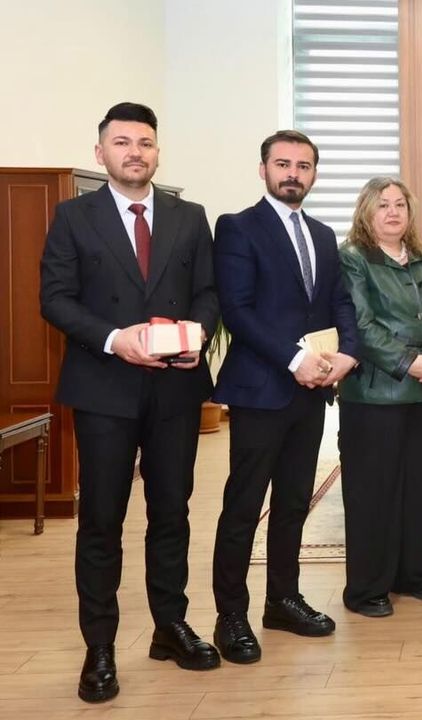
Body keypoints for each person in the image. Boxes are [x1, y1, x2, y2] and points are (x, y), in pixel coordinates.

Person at [40, 101, 222, 703]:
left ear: (157, 152)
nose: (134, 152)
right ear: (101, 153)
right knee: (102, 520)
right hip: (104, 389)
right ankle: (99, 647)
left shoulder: (189, 216)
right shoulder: (73, 216)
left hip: (175, 389)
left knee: (172, 513)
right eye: (122, 143)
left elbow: (208, 292)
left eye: (144, 142)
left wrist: (197, 334)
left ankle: (170, 627)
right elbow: (55, 299)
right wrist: (116, 339)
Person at [210, 130, 359, 664]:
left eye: (303, 165)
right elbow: (237, 309)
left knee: (295, 501)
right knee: (244, 505)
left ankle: (283, 600)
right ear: (264, 169)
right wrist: (295, 360)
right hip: (261, 389)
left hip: (312, 391)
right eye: (283, 164)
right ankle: (231, 615)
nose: (293, 173)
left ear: (314, 173)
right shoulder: (237, 227)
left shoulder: (322, 234)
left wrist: (348, 353)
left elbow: (339, 302)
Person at [336, 177, 422, 617]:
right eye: (382, 205)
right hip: (375, 394)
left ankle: (415, 574)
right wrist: (409, 362)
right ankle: (367, 588)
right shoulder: (354, 258)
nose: (392, 212)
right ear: (366, 212)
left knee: (417, 487)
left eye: (400, 205)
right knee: (374, 492)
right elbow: (361, 325)